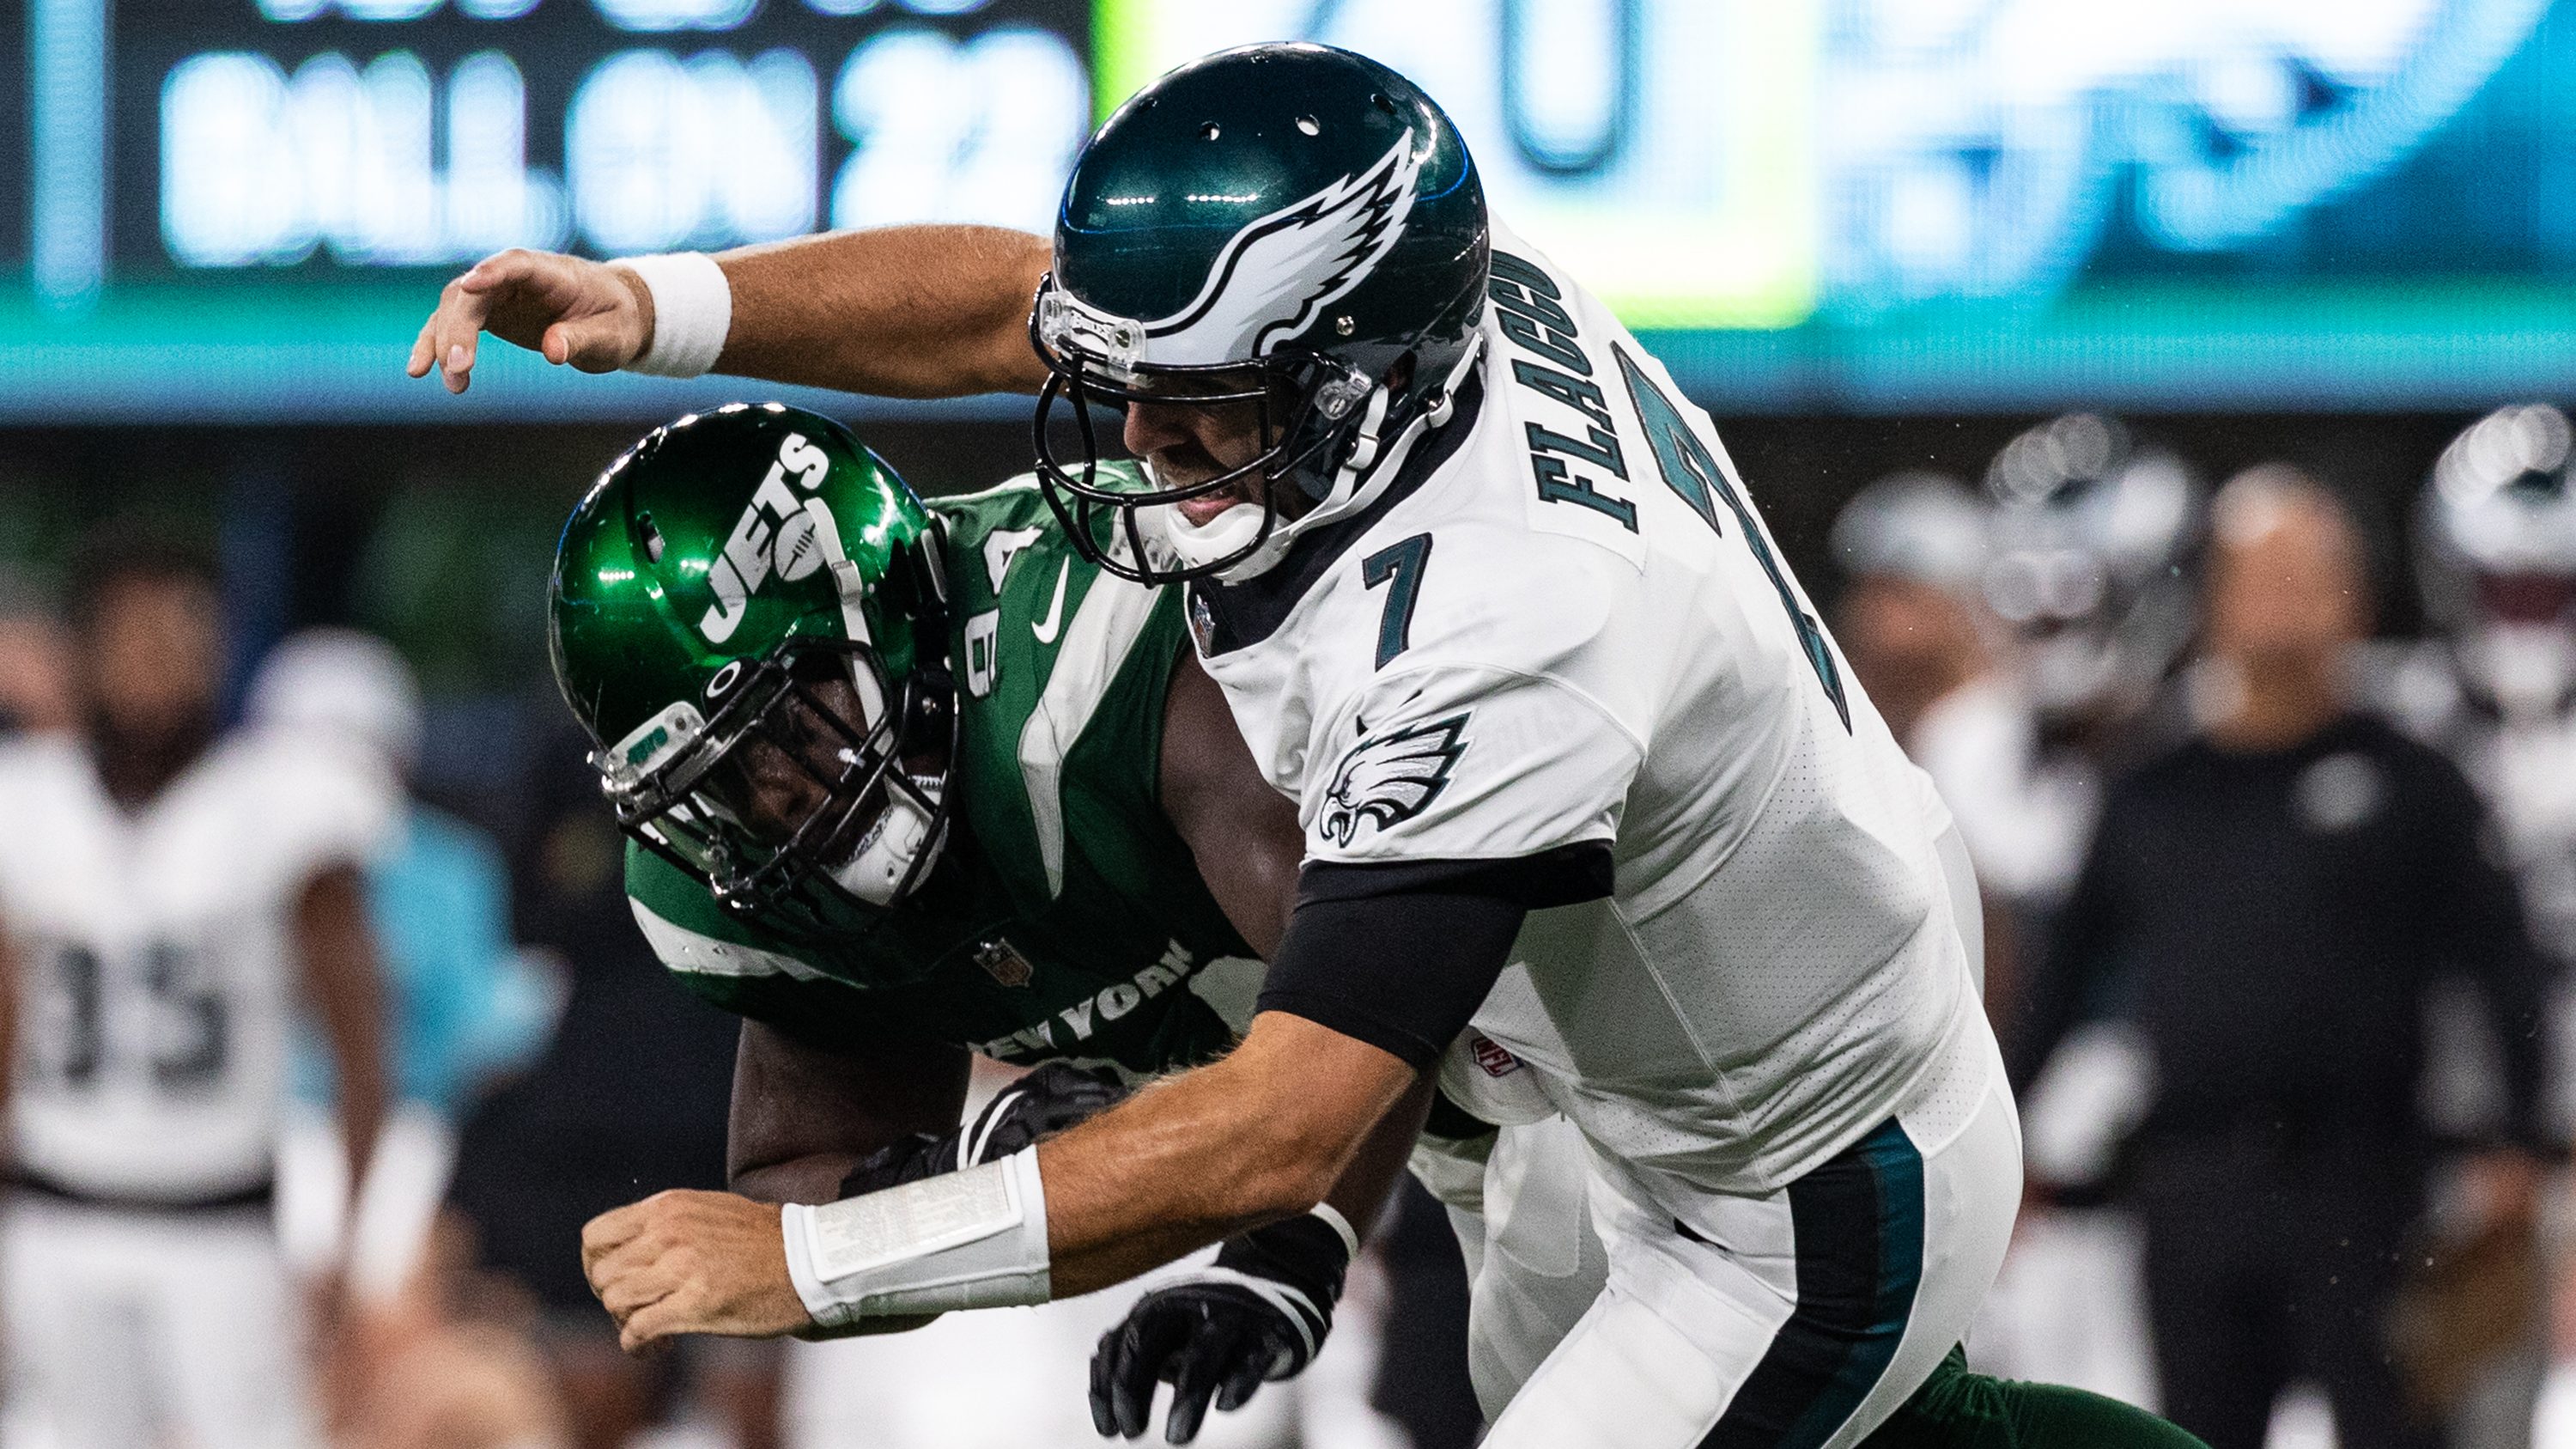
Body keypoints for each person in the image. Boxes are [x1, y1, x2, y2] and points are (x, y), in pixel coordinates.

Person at [414, 43, 2204, 1449]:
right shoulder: (1407, 323)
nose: (1142, 443)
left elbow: (1287, 1119)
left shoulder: (1510, 628)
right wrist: (660, 304)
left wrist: (809, 1265)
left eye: (1205, 413)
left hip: (1795, 1167)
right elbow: (1001, 304)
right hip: (1645, 1060)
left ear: (1362, 382)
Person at [532, 401, 1426, 1446]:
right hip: (1406, 1146)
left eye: (783, 723)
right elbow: (796, 1178)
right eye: (718, 779)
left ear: (884, 608)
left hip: (1533, 1039)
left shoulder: (1104, 635)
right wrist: (953, 1175)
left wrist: (1293, 1255)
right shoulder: (745, 887)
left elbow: (1375, 1005)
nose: (772, 794)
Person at [2020, 466, 2555, 1449]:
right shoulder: (2152, 790)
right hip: (2193, 1179)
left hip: (2368, 1180)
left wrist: (2520, 1138)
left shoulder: (2414, 780)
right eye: (2263, 578)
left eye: (2310, 577)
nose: (2286, 605)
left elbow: (2502, 958)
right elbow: (2064, 973)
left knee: (2395, 1426)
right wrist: (2009, 1134)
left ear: (2355, 598)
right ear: (2214, 601)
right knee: (2198, 1433)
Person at [0, 533, 393, 1449]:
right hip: (54, 1209)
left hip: (223, 1226)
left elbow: (360, 1036)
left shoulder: (285, 801)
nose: (154, 668)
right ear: (85, 654)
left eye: (180, 641)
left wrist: (348, 1230)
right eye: (132, 642)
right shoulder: (29, 802)